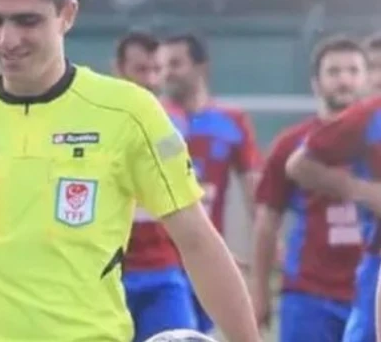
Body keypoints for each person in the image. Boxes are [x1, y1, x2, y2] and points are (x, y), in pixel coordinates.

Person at [0, 0, 259, 342]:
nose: (7, 39)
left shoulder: (129, 113)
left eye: (27, 21)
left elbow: (197, 241)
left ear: (67, 15)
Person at [251, 36, 366, 342]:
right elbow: (266, 222)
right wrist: (259, 292)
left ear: (367, 79)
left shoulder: (375, 141)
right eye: (334, 71)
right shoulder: (292, 144)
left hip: (369, 291)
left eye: (353, 71)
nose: (344, 80)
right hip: (309, 295)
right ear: (316, 83)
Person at [157, 33, 261, 334]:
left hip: (204, 255)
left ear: (201, 67)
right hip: (155, 260)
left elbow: (254, 190)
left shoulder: (231, 120)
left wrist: (261, 254)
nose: (166, 73)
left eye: (175, 64)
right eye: (162, 66)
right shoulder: (153, 118)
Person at [285, 41, 381, 342]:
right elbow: (299, 165)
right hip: (365, 267)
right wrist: (365, 192)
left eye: (354, 70)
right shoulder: (370, 115)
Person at [114, 32, 198, 340]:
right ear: (119, 69)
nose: (150, 79)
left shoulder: (175, 122)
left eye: (157, 69)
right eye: (141, 69)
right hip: (111, 273)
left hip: (164, 271)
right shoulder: (100, 124)